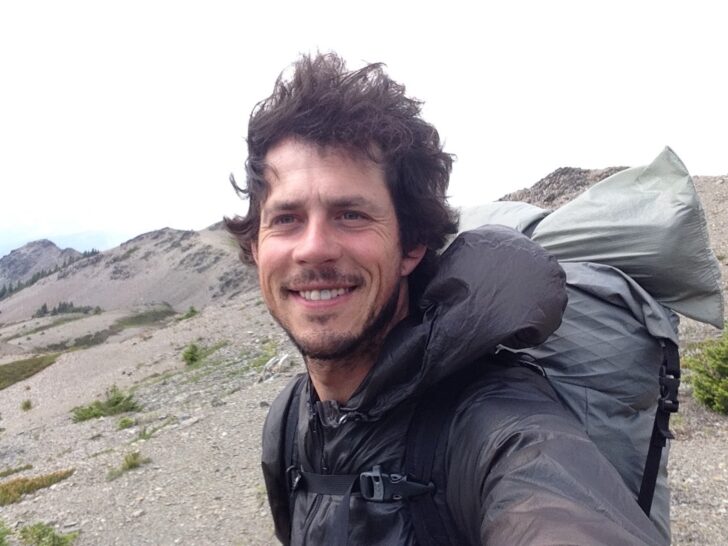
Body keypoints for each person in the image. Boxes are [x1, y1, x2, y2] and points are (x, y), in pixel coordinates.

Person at [225, 53, 664, 545]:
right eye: (286, 218)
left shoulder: (496, 426)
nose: (313, 248)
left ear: (411, 246)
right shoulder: (289, 420)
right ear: (256, 247)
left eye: (350, 214)